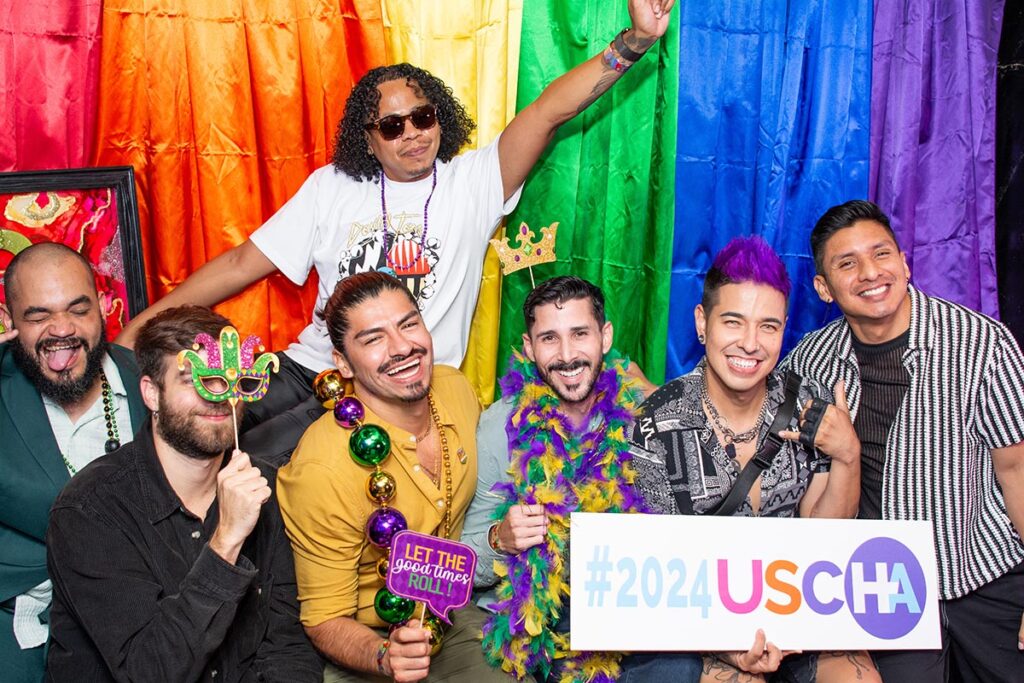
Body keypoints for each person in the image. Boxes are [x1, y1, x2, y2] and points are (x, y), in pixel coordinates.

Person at [115, 0, 676, 464]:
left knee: (253, 462)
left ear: (441, 118)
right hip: (314, 367)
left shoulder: (473, 182)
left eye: (423, 117)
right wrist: (134, 333)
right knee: (188, 423)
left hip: (400, 387)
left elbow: (548, 112)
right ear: (369, 137)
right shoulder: (331, 186)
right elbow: (241, 263)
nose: (412, 134)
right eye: (392, 125)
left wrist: (634, 41)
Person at [782, 200, 1024, 683]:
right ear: (823, 288)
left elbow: (1017, 469)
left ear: (904, 262)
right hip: (887, 594)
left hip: (987, 575)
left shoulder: (982, 345)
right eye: (846, 264)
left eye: (882, 254)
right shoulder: (809, 364)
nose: (870, 273)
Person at [629, 236, 879, 683]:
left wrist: (847, 454)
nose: (750, 343)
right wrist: (730, 651)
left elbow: (825, 541)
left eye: (768, 326)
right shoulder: (653, 425)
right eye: (733, 322)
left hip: (797, 611)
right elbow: (656, 577)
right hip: (699, 624)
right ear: (702, 323)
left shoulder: (810, 402)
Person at [45, 305, 322, 682]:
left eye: (230, 379)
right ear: (152, 394)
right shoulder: (90, 510)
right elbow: (148, 672)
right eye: (195, 379)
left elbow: (286, 645)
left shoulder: (265, 486)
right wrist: (225, 542)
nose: (218, 396)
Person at [460, 276, 702, 682]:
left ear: (604, 337)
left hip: (625, 608)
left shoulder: (645, 415)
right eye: (549, 338)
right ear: (527, 346)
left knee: (679, 668)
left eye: (580, 334)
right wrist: (499, 539)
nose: (568, 355)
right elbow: (466, 562)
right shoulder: (500, 426)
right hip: (538, 615)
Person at [277, 271, 509, 682]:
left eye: (408, 324)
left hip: (450, 614)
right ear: (343, 364)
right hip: (368, 639)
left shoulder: (454, 390)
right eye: (373, 339)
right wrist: (385, 656)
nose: (403, 347)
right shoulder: (320, 469)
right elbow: (325, 620)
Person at [0, 243, 146, 683]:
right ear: (8, 323)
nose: (60, 330)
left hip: (141, 613)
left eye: (78, 310)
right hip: (21, 617)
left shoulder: (154, 380)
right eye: (38, 316)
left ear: (104, 308)